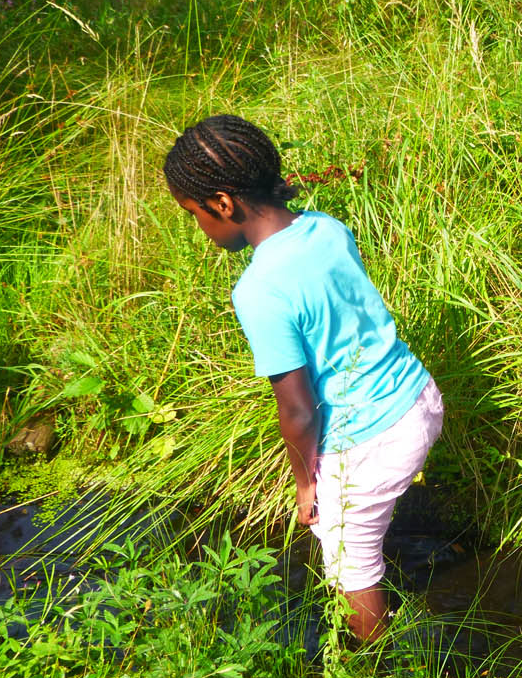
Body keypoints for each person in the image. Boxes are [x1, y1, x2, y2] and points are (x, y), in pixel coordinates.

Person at [164, 114, 441, 643]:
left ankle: (377, 661)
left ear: (223, 204)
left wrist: (306, 481)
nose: (199, 229)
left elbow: (299, 410)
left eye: (193, 214)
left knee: (348, 564)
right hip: (417, 398)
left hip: (368, 439)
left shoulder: (258, 290)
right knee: (366, 528)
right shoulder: (327, 228)